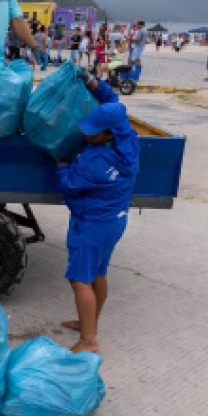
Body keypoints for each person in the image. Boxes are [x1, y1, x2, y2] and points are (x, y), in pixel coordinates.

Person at [58, 72, 139, 355]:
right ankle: (87, 324)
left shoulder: (96, 162)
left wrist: (61, 163)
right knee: (98, 275)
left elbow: (68, 184)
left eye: (93, 131)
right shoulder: (127, 140)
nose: (87, 134)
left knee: (79, 279)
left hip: (93, 224)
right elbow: (113, 102)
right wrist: (94, 83)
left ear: (107, 135)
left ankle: (89, 340)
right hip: (113, 221)